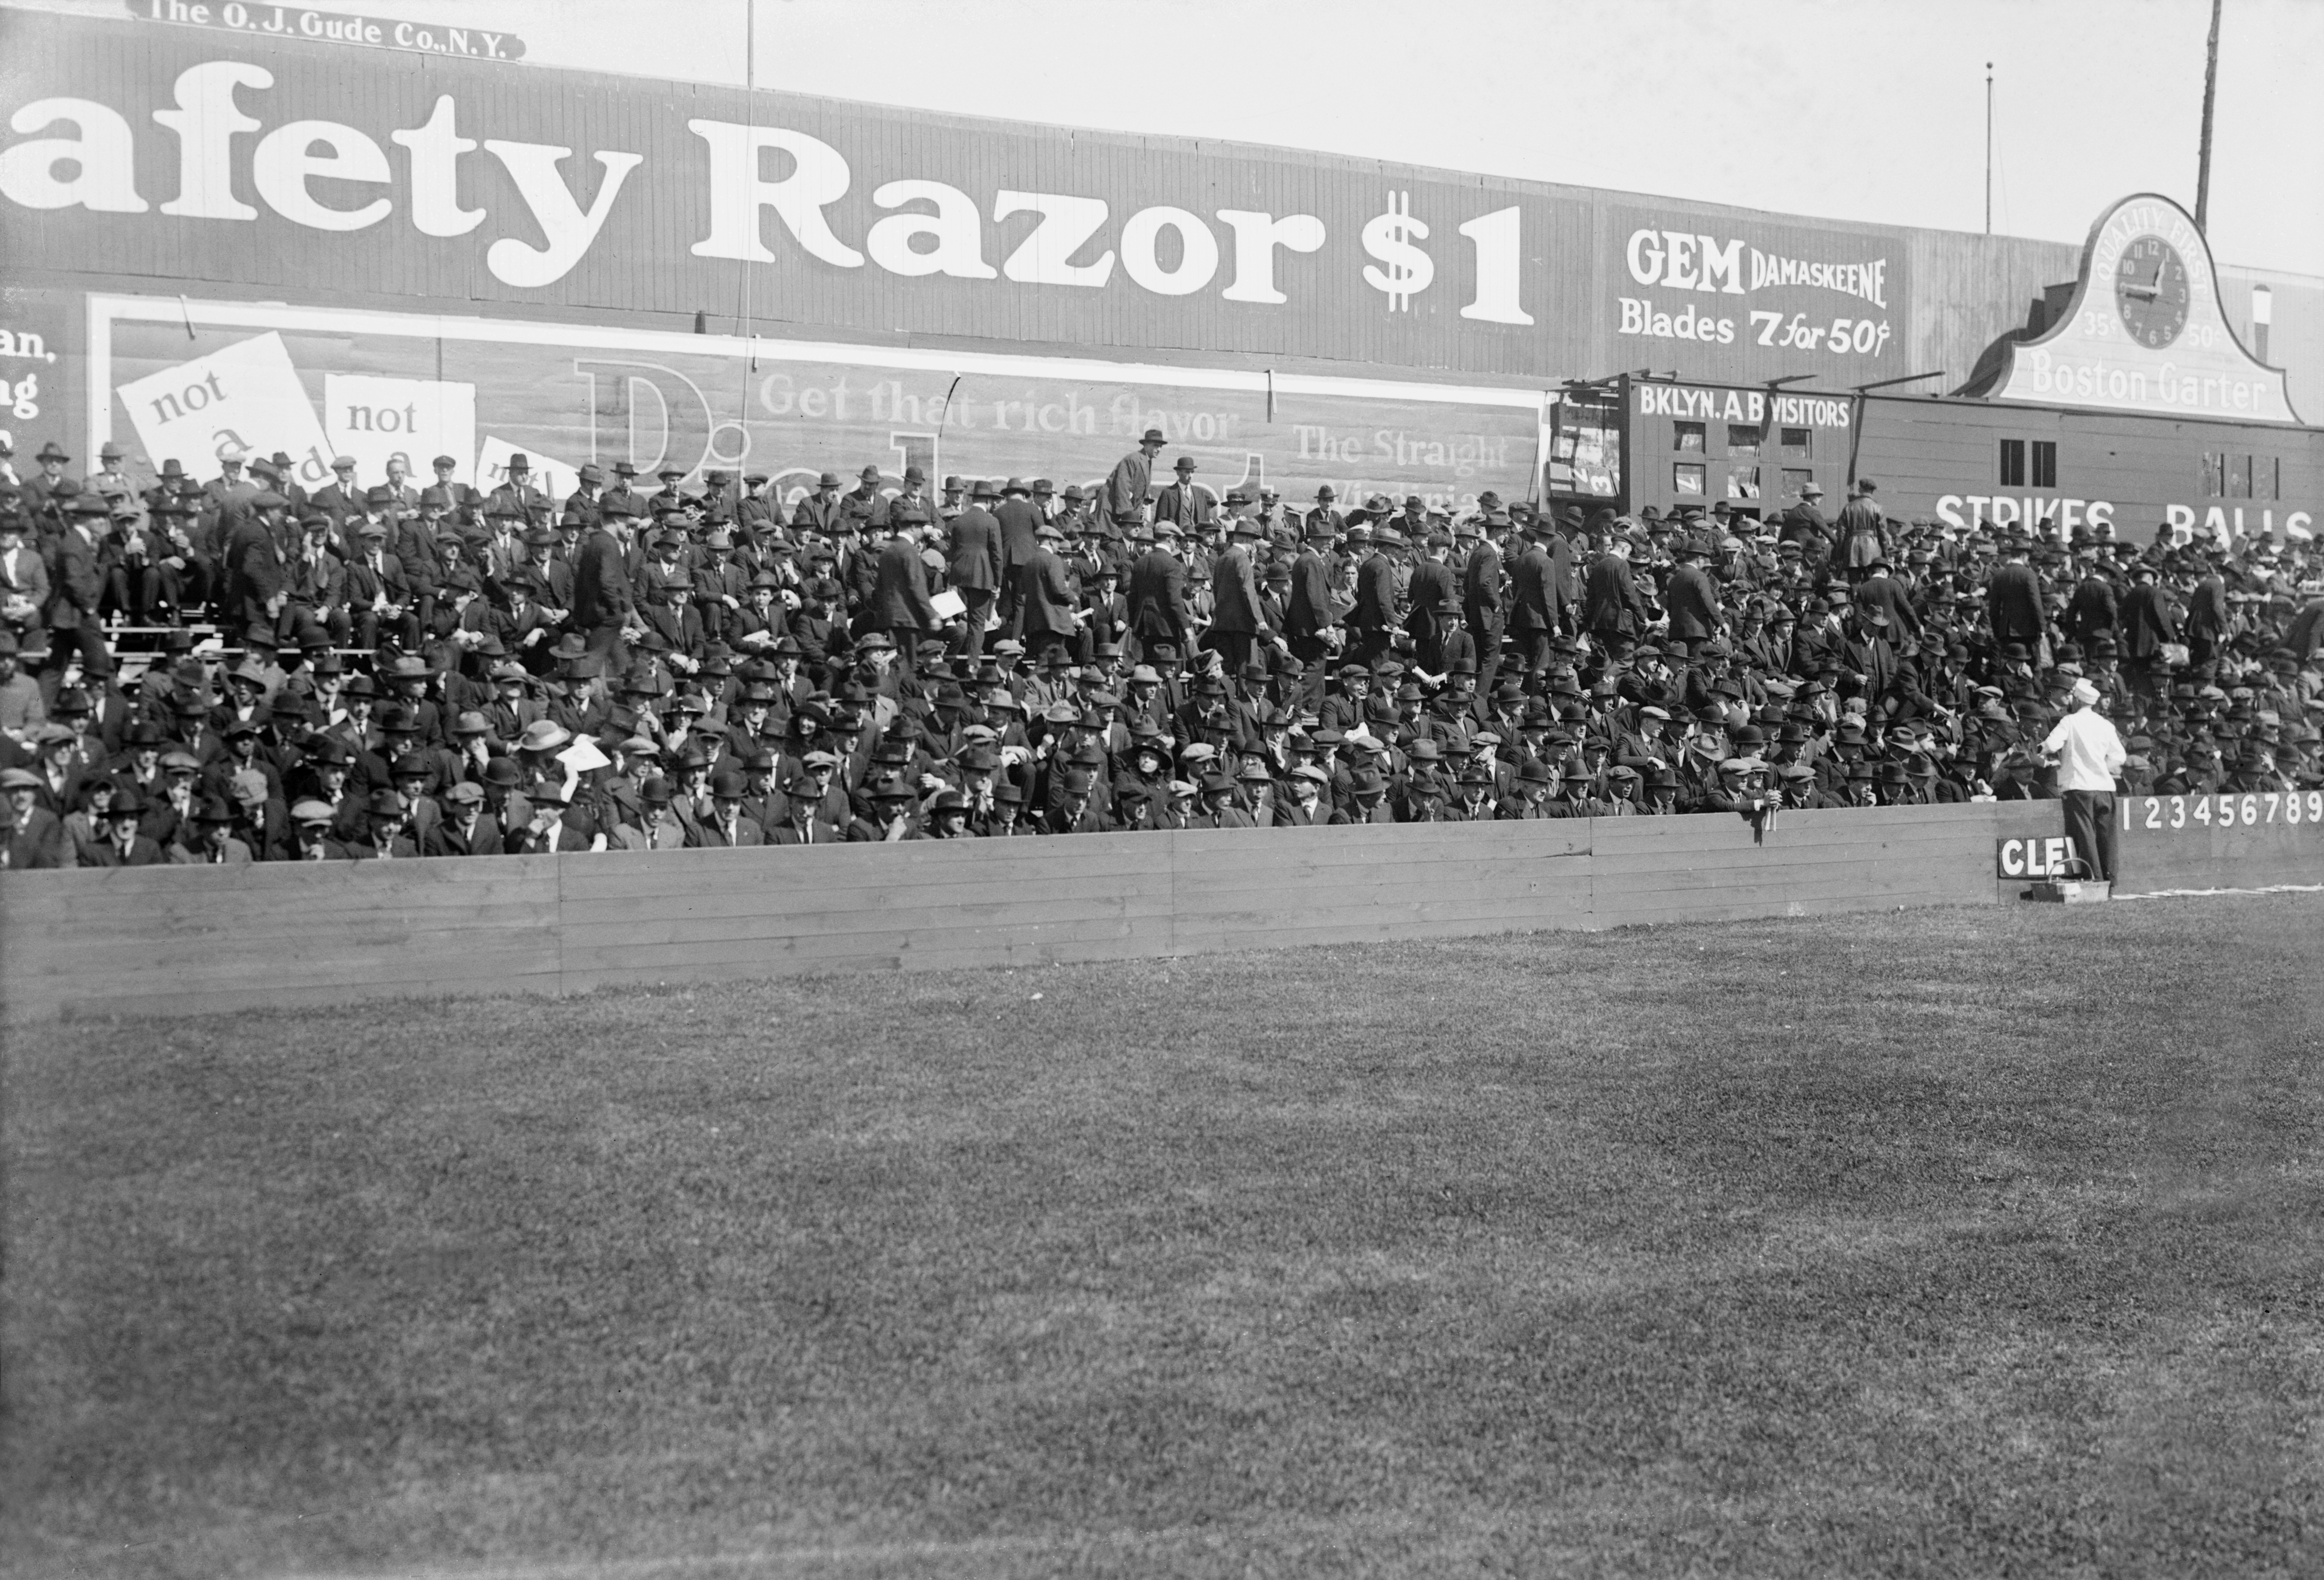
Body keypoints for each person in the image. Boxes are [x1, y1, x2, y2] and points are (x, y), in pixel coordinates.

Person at [2041, 677, 2125, 884]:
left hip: (2080, 787)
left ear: (2077, 701)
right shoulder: (2105, 725)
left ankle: (2094, 880)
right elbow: (2119, 757)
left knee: (2086, 835)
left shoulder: (2069, 722)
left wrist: (2038, 749)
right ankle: (2110, 882)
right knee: (2107, 837)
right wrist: (2100, 767)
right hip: (2105, 788)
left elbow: (2051, 745)